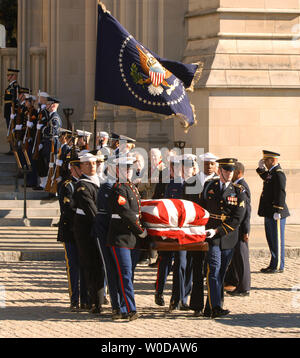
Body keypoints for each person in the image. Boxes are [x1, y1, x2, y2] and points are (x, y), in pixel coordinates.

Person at [200, 158, 246, 318]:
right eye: (226, 170)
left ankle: (210, 306)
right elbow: (202, 207)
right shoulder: (209, 186)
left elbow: (237, 218)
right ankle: (216, 307)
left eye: (231, 171)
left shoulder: (238, 191)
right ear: (220, 171)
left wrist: (218, 230)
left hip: (227, 236)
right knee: (213, 270)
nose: (229, 173)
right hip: (211, 236)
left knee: (220, 273)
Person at [106, 155, 148, 321]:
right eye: (124, 168)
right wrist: (141, 230)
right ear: (118, 170)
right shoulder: (119, 189)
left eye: (130, 168)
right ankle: (129, 309)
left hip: (132, 238)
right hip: (120, 237)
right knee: (124, 274)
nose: (128, 171)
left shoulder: (132, 188)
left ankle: (122, 307)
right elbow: (127, 214)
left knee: (128, 275)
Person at [57, 150, 89, 311]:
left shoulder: (86, 183)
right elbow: (68, 208)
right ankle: (74, 299)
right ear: (73, 168)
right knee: (73, 266)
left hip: (83, 232)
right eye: (80, 166)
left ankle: (85, 298)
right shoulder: (67, 185)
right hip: (70, 231)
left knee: (84, 265)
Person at [73, 152, 104, 314]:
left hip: (98, 228)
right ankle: (94, 302)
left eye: (94, 163)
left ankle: (98, 299)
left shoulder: (99, 182)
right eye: (88, 164)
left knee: (99, 266)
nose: (92, 166)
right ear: (82, 167)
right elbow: (92, 211)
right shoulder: (82, 185)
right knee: (91, 265)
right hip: (87, 231)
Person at [154, 154, 183, 307]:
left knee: (180, 263)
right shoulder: (167, 183)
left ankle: (177, 298)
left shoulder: (189, 184)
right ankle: (159, 290)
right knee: (164, 260)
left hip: (182, 229)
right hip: (168, 227)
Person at [257, 150, 289, 273]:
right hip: (269, 211)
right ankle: (273, 263)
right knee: (271, 239)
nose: (265, 162)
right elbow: (266, 177)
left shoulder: (279, 173)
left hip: (276, 212)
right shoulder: (272, 172)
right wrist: (260, 169)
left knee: (277, 239)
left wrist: (278, 210)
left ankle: (278, 265)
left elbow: (281, 192)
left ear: (272, 160)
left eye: (266, 160)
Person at [225, 162, 251, 296]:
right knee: (236, 258)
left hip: (241, 229)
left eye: (233, 171)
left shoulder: (242, 187)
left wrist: (246, 230)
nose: (231, 174)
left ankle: (244, 288)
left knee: (242, 259)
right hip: (236, 228)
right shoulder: (236, 186)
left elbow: (246, 211)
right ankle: (234, 282)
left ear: (239, 173)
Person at [4, 68, 20, 155]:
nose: (8, 77)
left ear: (14, 76)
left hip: (11, 111)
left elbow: (15, 100)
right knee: (9, 129)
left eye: (9, 75)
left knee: (12, 129)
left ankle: (14, 148)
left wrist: (14, 112)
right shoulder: (10, 87)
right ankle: (11, 148)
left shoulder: (15, 86)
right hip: (8, 111)